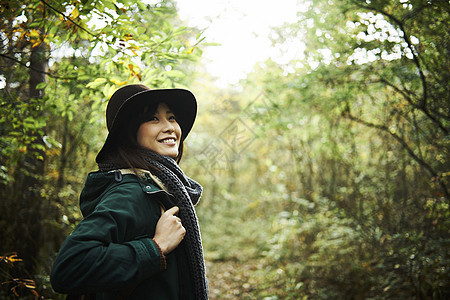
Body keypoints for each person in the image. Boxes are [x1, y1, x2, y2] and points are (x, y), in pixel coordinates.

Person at [50, 84, 208, 299]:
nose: (170, 127)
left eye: (171, 117)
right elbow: (68, 268)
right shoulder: (132, 192)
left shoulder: (157, 188)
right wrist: (156, 247)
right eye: (153, 118)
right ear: (129, 132)